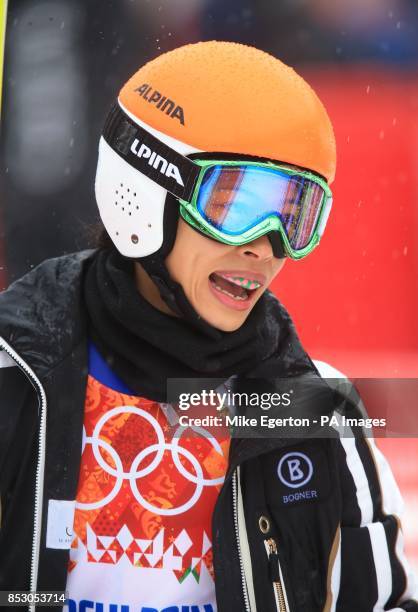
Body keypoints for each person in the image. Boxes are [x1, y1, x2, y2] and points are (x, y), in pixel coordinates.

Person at [0, 41, 416, 612]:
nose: (267, 248)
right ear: (146, 191)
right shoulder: (14, 376)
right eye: (237, 205)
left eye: (295, 215)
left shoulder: (313, 415)